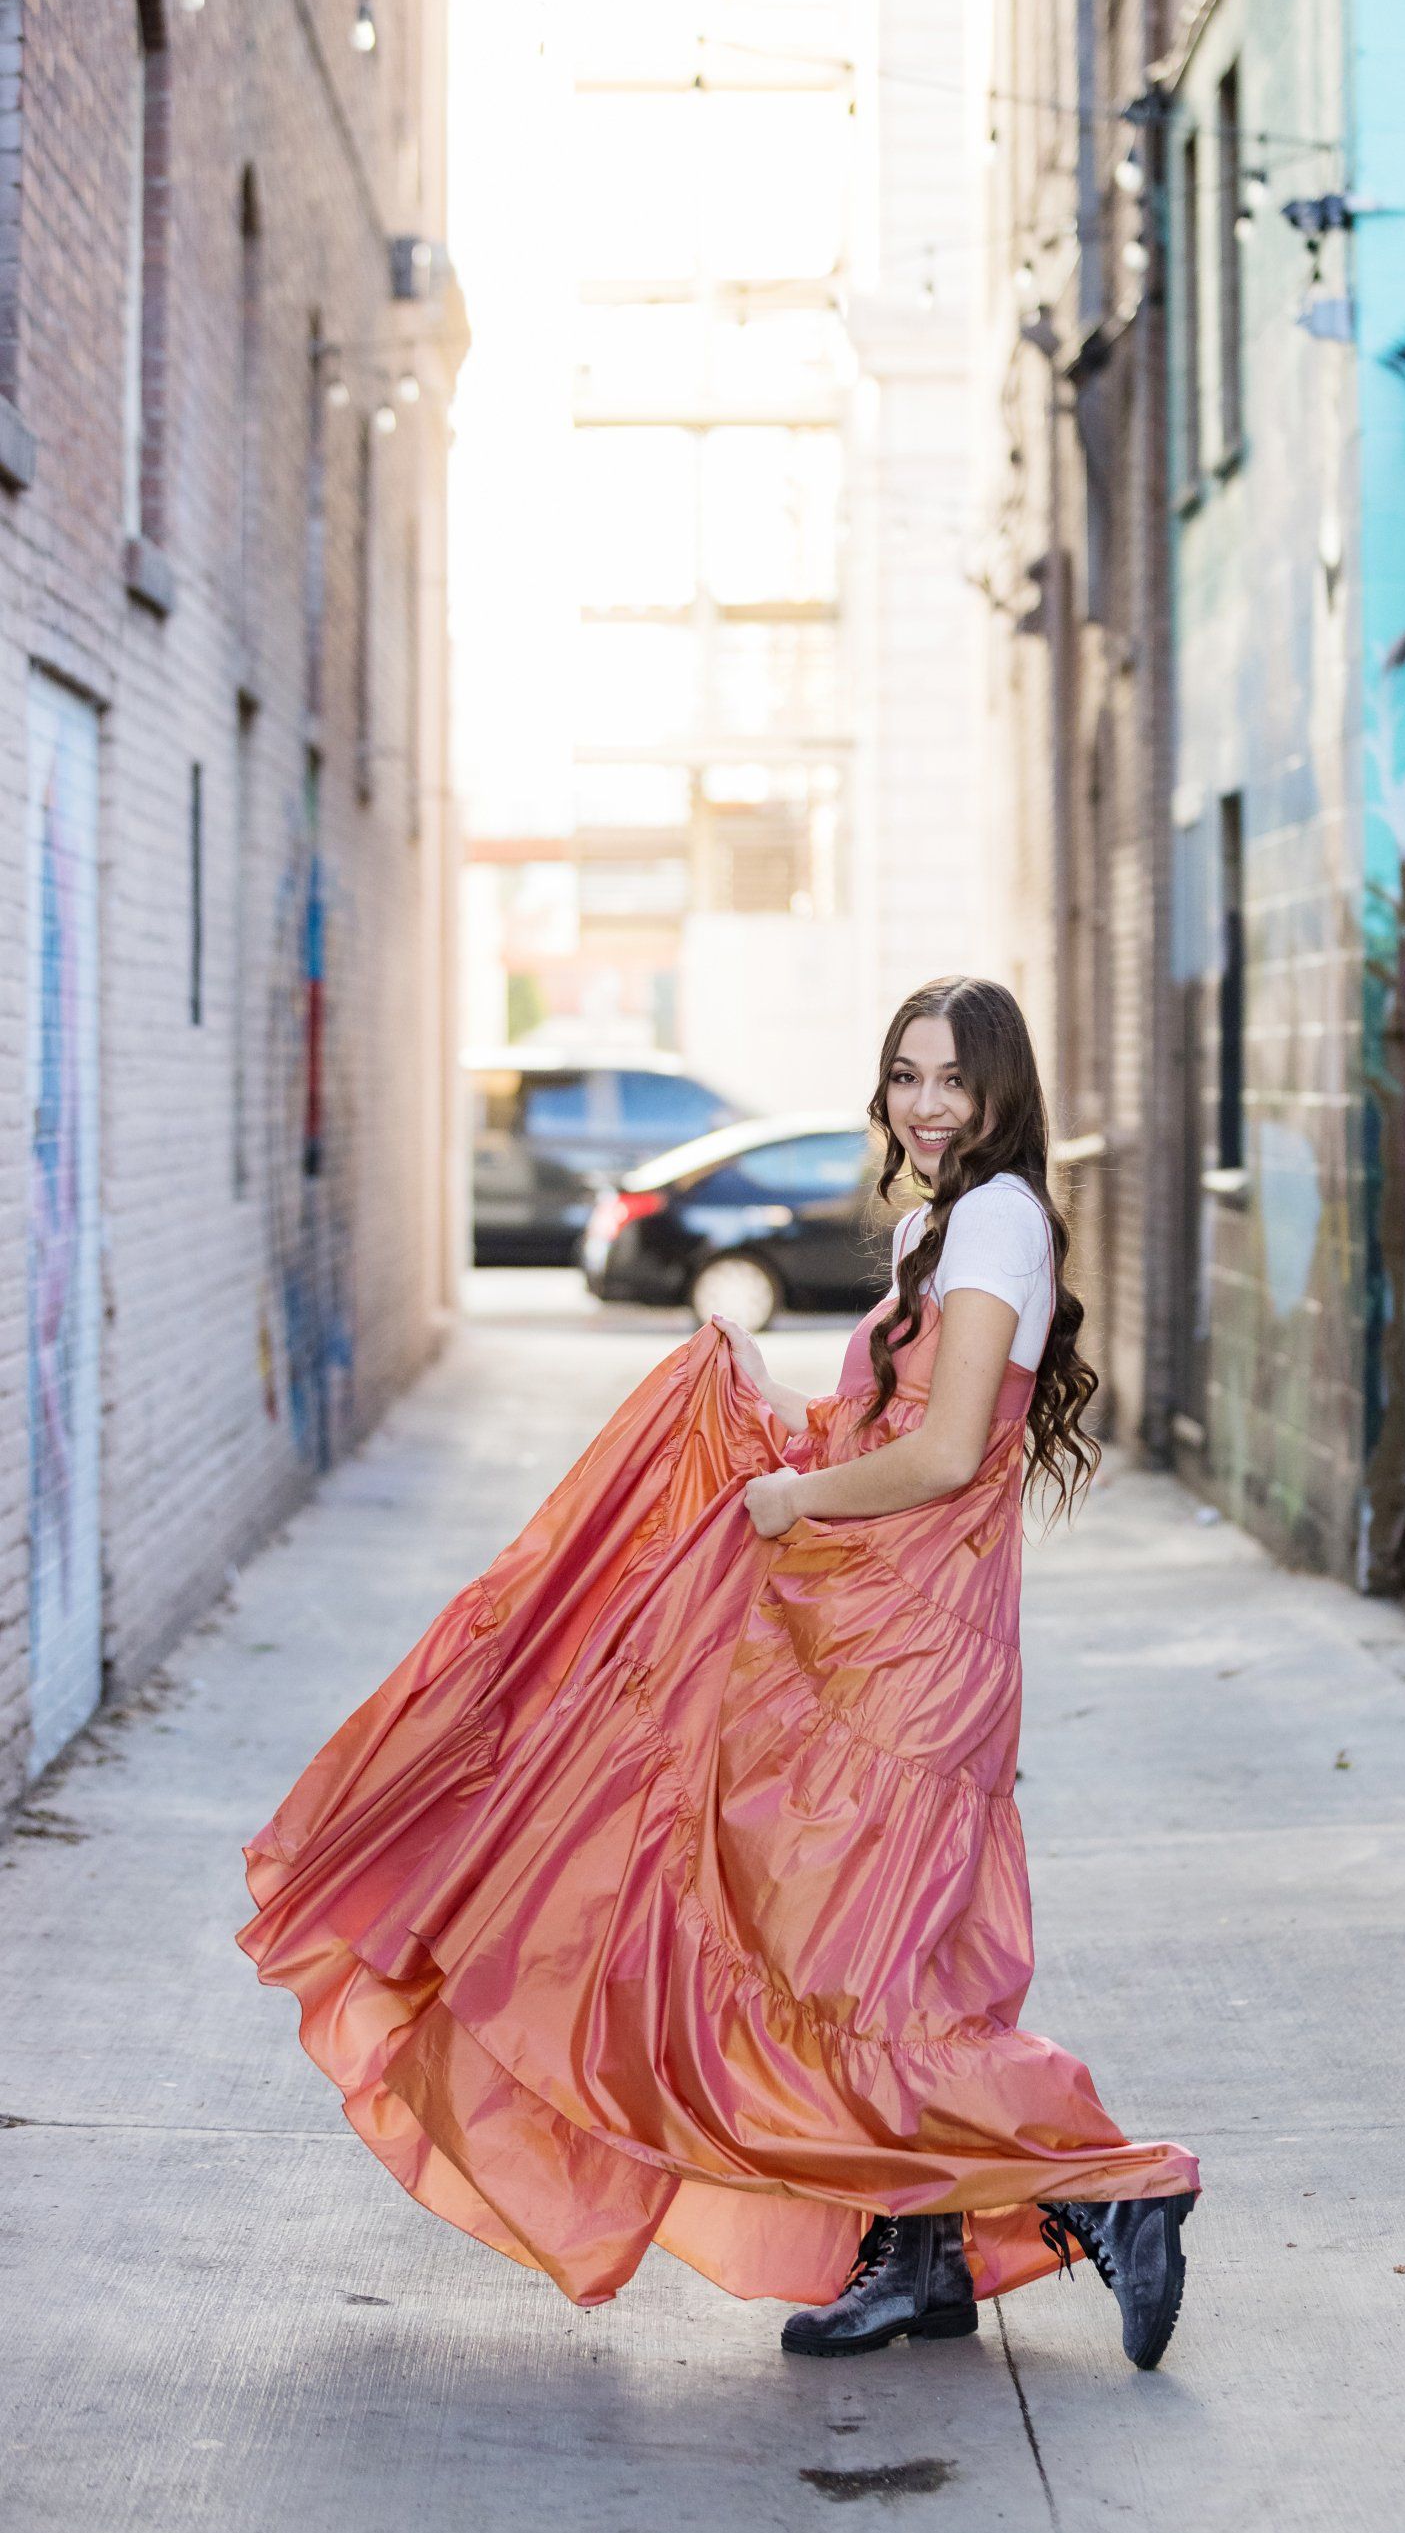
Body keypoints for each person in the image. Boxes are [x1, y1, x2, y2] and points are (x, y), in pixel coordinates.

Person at [239, 977, 1200, 2369]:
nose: (925, 1105)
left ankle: (1113, 2184)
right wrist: (767, 1422)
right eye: (905, 1075)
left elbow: (939, 1460)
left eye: (953, 1079)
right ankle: (915, 2249)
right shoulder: (942, 1221)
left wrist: (794, 1501)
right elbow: (904, 1419)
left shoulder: (993, 1221)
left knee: (844, 1973)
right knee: (862, 1968)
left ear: (1004, 1094)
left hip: (911, 1656)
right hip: (882, 1629)